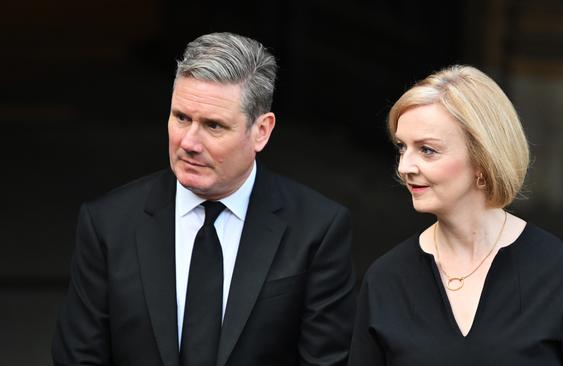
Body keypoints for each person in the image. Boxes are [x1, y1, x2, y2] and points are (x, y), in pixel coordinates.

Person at [52, 32, 356, 366]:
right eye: (181, 118)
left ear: (262, 132)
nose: (189, 142)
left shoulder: (317, 229)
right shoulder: (108, 224)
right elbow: (79, 358)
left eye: (213, 125)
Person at [348, 65, 563, 366]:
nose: (405, 166)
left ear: (482, 160)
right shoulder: (386, 279)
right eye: (402, 147)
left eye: (427, 150)